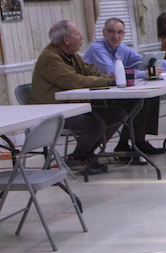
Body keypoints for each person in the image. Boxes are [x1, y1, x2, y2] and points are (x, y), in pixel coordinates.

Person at [82, 17, 166, 156]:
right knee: (137, 101)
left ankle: (138, 141)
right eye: (111, 31)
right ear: (104, 32)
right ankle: (126, 144)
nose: (115, 36)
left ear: (124, 35)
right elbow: (113, 72)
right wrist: (145, 73)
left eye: (120, 32)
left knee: (151, 95)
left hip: (114, 91)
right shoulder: (97, 48)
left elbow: (147, 61)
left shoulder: (121, 48)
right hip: (96, 96)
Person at [30, 20, 126, 174]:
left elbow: (91, 72)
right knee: (95, 122)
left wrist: (112, 78)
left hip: (72, 107)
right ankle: (77, 157)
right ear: (66, 40)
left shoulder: (72, 56)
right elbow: (75, 81)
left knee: (117, 113)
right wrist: (109, 81)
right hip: (52, 112)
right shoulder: (50, 58)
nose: (82, 37)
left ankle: (86, 155)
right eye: (78, 34)